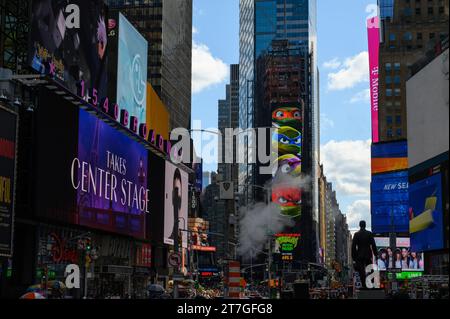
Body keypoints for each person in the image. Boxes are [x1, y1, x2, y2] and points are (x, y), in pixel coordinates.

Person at [352, 221, 378, 289]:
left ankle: (364, 285)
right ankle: (371, 284)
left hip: (359, 255)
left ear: (359, 225)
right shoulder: (369, 233)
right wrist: (376, 254)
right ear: (365, 225)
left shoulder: (356, 234)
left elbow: (353, 247)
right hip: (367, 254)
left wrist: (354, 257)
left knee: (361, 271)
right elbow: (373, 245)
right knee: (370, 269)